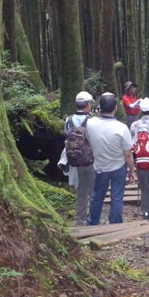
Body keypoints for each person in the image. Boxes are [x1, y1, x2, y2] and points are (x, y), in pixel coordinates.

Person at [86, 93, 136, 225]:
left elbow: (88, 140)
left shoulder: (90, 123)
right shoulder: (122, 128)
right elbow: (128, 154)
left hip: (99, 166)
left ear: (99, 107)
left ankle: (92, 222)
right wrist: (132, 170)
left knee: (97, 196)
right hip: (118, 167)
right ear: (115, 108)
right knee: (117, 197)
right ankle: (115, 222)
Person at [63, 91, 95, 226]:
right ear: (88, 104)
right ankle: (93, 218)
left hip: (75, 160)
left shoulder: (68, 120)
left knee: (81, 190)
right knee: (94, 190)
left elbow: (66, 134)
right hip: (91, 159)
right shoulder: (92, 120)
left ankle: (80, 219)